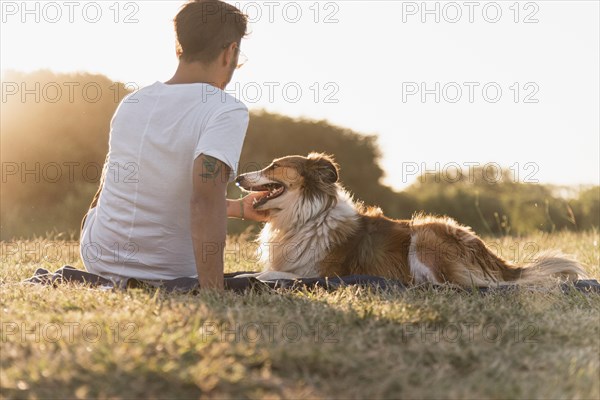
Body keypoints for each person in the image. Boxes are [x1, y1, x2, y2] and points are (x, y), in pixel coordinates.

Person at [79, 0, 266, 290]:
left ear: (180, 47)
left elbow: (120, 190)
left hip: (99, 260)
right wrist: (214, 292)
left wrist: (237, 208)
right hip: (169, 271)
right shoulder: (226, 109)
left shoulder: (132, 102)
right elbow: (204, 199)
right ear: (230, 52)